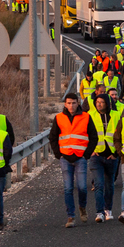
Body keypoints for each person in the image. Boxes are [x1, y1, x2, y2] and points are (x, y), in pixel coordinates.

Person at [50, 92, 96, 228]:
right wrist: (58, 154)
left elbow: (93, 137)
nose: (71, 106)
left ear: (78, 103)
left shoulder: (86, 117)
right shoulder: (59, 118)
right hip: (65, 157)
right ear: (65, 104)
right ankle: (71, 216)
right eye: (69, 103)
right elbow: (53, 137)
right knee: (68, 188)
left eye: (74, 103)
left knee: (82, 187)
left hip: (80, 157)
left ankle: (82, 207)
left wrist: (87, 154)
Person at [87, 93, 120, 222]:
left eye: (101, 102)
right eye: (97, 102)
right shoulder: (90, 115)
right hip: (96, 155)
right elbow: (85, 133)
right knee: (99, 184)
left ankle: (108, 210)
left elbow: (121, 134)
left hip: (111, 156)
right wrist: (90, 151)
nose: (99, 104)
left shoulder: (116, 115)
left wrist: (116, 153)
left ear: (107, 103)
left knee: (109, 184)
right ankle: (99, 212)